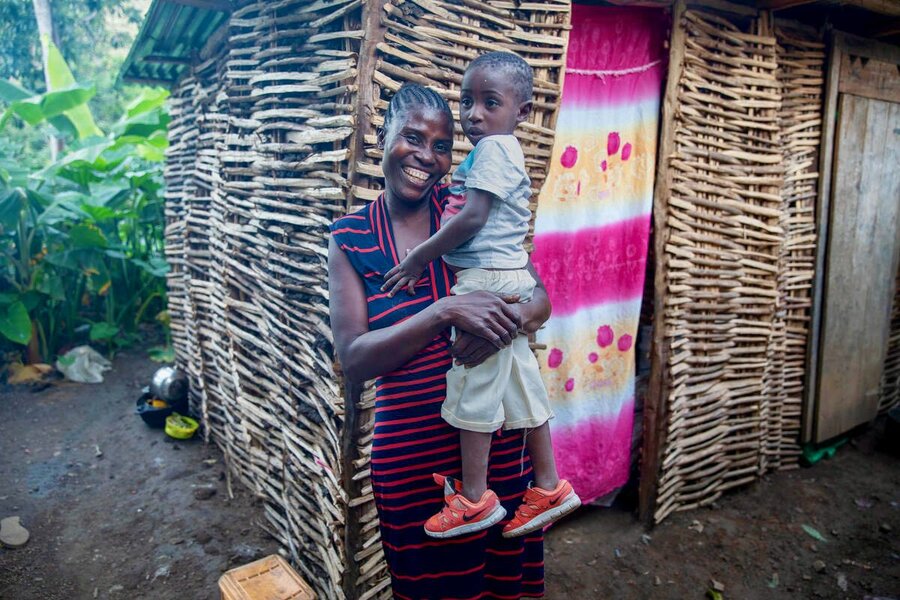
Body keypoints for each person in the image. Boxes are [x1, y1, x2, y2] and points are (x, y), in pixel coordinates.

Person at [329, 84, 548, 598]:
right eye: (412, 137)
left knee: (505, 586)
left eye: (442, 145)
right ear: (381, 135)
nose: (426, 156)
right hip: (412, 463)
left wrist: (502, 325)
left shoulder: (468, 212)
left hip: (498, 455)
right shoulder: (351, 238)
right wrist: (443, 311)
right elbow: (353, 360)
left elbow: (540, 300)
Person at [380, 52, 580, 540]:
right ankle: (550, 485)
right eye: (468, 101)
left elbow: (471, 220)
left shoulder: (494, 150)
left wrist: (419, 259)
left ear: (522, 112)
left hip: (487, 280)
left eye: (490, 103)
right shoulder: (492, 153)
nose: (475, 114)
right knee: (521, 384)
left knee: (474, 387)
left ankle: (473, 497)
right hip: (504, 274)